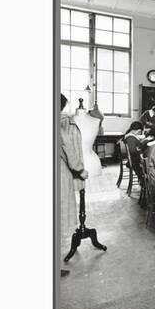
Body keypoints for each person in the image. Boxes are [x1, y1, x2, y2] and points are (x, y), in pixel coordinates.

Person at [60, 94, 89, 238]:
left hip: (87, 161)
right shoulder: (64, 122)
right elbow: (66, 146)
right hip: (71, 166)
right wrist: (80, 169)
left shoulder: (66, 121)